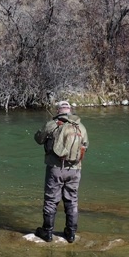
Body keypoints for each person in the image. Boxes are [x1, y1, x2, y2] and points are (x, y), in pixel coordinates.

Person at [33, 100, 89, 243]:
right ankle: (70, 234)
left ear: (58, 111)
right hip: (75, 169)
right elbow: (85, 146)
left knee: (51, 200)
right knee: (72, 201)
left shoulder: (51, 125)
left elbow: (38, 139)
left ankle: (47, 232)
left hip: (55, 169)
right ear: (70, 110)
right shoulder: (81, 127)